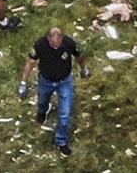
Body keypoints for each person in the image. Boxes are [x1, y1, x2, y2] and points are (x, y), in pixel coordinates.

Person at [20, 26, 87, 156]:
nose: (55, 44)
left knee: (65, 114)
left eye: (58, 41)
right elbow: (30, 63)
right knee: (42, 101)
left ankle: (61, 141)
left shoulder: (69, 43)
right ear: (48, 38)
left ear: (61, 38)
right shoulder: (40, 45)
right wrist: (23, 82)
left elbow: (79, 56)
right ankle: (42, 112)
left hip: (65, 82)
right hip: (46, 81)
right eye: (52, 42)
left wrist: (84, 68)